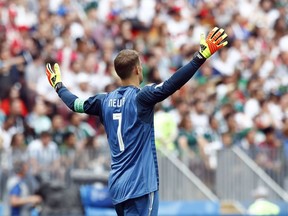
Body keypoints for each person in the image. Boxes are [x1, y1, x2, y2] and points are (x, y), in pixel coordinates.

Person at [45, 27, 228, 216]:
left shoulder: (103, 101)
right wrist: (200, 56)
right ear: (137, 69)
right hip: (140, 184)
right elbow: (172, 84)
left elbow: (75, 104)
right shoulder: (142, 97)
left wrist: (58, 86)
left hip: (118, 186)